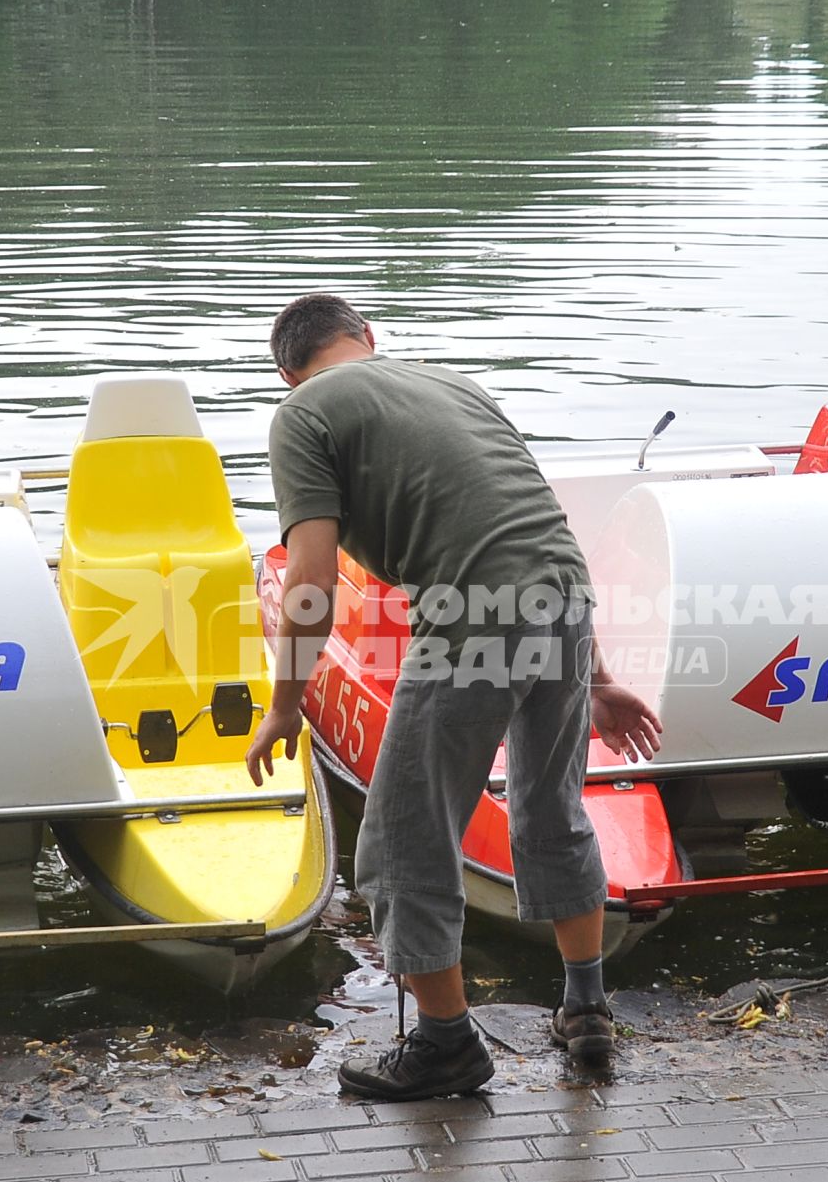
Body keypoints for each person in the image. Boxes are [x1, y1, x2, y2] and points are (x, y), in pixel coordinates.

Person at [244, 294, 662, 1101]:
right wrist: (599, 675)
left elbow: (313, 580)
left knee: (401, 841)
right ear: (368, 339)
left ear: (288, 374)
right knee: (551, 809)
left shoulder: (302, 414)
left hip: (475, 611)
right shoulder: (452, 383)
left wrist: (286, 704)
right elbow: (539, 526)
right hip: (563, 597)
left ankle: (446, 1046)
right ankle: (585, 1010)